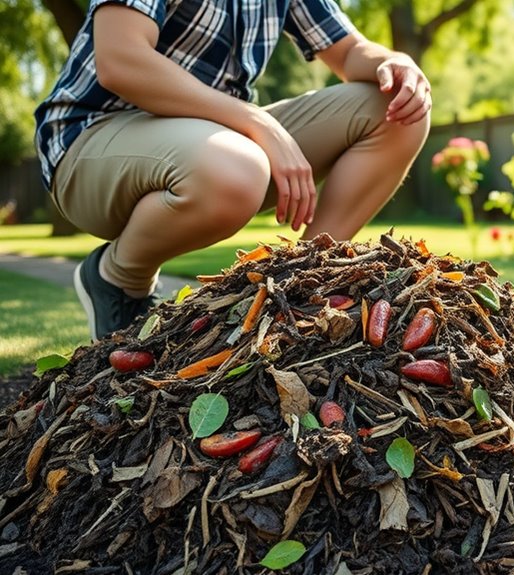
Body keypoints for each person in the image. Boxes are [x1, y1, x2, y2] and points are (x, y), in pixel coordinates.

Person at [34, 0, 431, 341]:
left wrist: (396, 62)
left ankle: (303, 285)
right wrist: (258, 124)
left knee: (400, 109)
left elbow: (347, 53)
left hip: (218, 139)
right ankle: (120, 277)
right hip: (90, 140)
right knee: (237, 170)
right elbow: (120, 59)